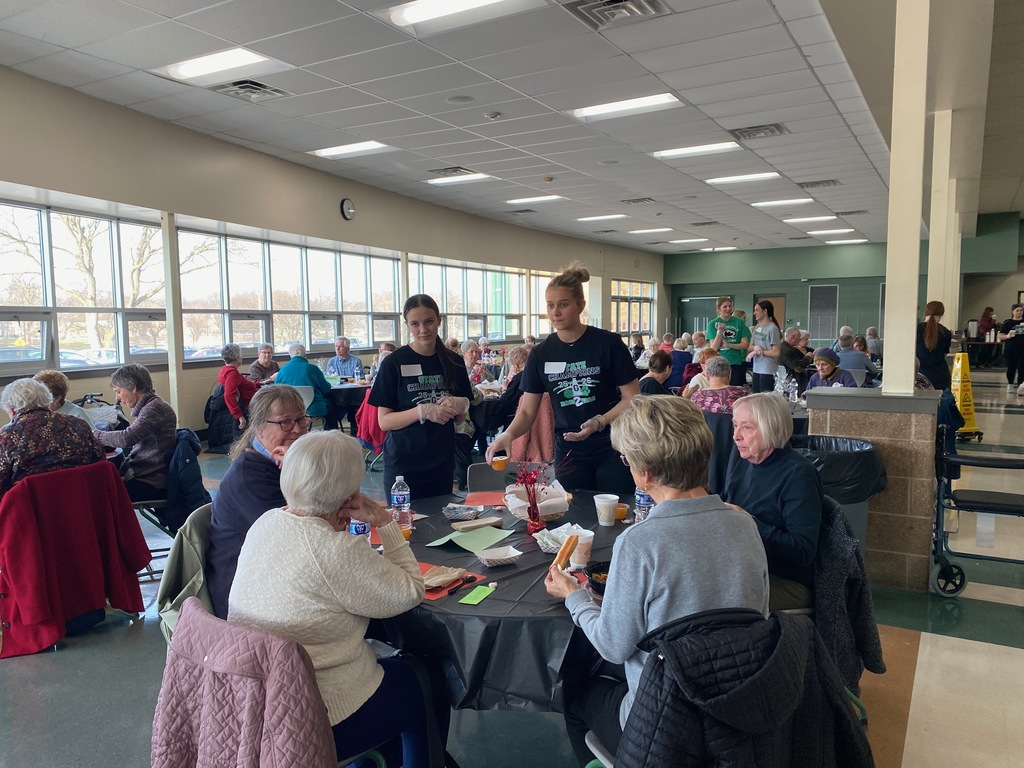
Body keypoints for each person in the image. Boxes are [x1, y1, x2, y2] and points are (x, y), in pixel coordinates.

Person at [544, 395, 768, 765]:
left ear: (645, 472)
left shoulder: (640, 541)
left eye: (626, 460)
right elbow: (753, 615)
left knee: (575, 693)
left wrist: (574, 596)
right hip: (738, 699)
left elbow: (613, 647)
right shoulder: (744, 523)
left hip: (665, 719)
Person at [228, 431, 450, 767]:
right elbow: (410, 590)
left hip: (254, 705)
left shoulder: (267, 522)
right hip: (317, 715)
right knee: (427, 679)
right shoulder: (333, 550)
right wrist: (385, 521)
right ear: (350, 493)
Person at [486, 263, 639, 496]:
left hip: (613, 446)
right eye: (550, 305)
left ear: (580, 305)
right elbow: (527, 412)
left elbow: (632, 397)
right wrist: (507, 434)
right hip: (569, 450)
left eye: (563, 305)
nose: (555, 312)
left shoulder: (608, 344)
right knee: (574, 514)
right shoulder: (540, 354)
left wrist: (599, 421)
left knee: (614, 514)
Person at [206, 385, 310, 619]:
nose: (297, 429)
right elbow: (298, 536)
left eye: (302, 420)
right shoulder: (250, 476)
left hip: (276, 576)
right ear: (259, 426)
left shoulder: (281, 462)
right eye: (285, 422)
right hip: (246, 596)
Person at [722, 392, 823, 610]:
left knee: (709, 597)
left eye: (746, 427)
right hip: (744, 566)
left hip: (784, 579)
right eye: (735, 425)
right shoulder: (744, 460)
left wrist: (748, 522)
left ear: (771, 428)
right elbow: (725, 504)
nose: (735, 436)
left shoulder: (798, 475)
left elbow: (802, 551)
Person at [369, 294, 472, 499]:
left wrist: (462, 405)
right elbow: (384, 421)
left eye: (429, 322)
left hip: (441, 461)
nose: (423, 330)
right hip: (403, 464)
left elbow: (461, 420)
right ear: (407, 325)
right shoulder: (394, 363)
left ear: (439, 321)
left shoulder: (454, 361)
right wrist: (421, 411)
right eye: (415, 324)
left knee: (440, 525)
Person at [0, 378, 104, 498]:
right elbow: (99, 464)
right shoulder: (78, 424)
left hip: (30, 511)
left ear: (11, 409)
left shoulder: (7, 436)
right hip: (80, 504)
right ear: (47, 400)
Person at [91, 364, 177, 501]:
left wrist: (94, 435)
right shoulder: (151, 406)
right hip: (144, 474)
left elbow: (127, 438)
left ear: (133, 387)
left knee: (98, 495)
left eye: (118, 391)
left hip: (152, 482)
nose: (117, 397)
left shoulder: (154, 408)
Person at [274, 342, 334, 424]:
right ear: (305, 354)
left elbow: (276, 392)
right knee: (333, 407)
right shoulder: (313, 369)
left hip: (289, 410)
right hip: (314, 409)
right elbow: (326, 389)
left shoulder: (282, 371)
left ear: (290, 355)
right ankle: (329, 434)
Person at [708, 296, 750, 386]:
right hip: (719, 362)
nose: (728, 309)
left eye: (730, 306)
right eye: (725, 307)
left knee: (734, 390)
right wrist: (720, 332)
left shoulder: (739, 322)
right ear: (719, 308)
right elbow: (713, 348)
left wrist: (730, 345)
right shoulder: (712, 324)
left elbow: (745, 344)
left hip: (735, 362)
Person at [218, 343, 259, 436]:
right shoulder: (232, 374)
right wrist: (239, 416)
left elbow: (244, 384)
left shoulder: (225, 370)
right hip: (245, 409)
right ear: (237, 357)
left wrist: (264, 382)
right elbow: (229, 395)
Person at [326, 336, 364, 434]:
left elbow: (360, 379)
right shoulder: (332, 361)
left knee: (355, 402)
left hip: (352, 393)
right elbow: (328, 379)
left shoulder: (356, 361)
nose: (337, 349)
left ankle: (355, 431)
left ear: (347, 348)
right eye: (336, 346)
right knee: (330, 404)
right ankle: (332, 433)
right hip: (336, 394)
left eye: (340, 346)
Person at [916, 300, 952, 390]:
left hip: (920, 376)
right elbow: (945, 354)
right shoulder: (946, 332)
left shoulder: (916, 330)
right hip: (941, 376)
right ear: (942, 314)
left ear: (925, 313)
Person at [747, 299, 781, 393]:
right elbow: (750, 346)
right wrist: (755, 349)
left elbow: (776, 352)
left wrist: (760, 352)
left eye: (757, 310)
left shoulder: (772, 328)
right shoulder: (758, 327)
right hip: (757, 368)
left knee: (765, 397)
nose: (754, 313)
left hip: (768, 369)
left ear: (765, 311)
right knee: (755, 395)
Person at [999, 303, 1024, 394]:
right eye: (1017, 310)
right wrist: (1008, 336)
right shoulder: (1008, 323)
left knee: (1022, 368)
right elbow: (1001, 336)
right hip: (1011, 348)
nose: (1019, 312)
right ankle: (1010, 383)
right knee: (1011, 367)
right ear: (1013, 312)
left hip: (1022, 349)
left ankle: (1021, 386)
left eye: (1021, 310)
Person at [779, 327, 812, 391]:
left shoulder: (782, 347)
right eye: (799, 337)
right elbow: (798, 368)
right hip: (792, 383)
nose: (800, 339)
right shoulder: (787, 351)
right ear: (793, 337)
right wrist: (807, 357)